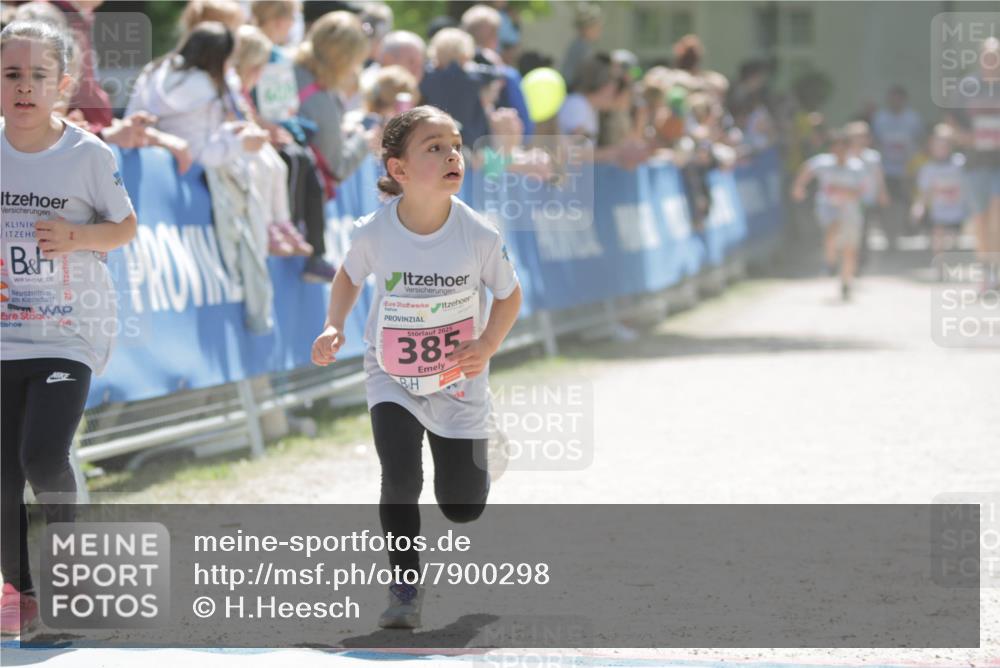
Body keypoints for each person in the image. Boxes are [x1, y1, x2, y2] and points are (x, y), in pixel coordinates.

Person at [310, 106, 522, 629]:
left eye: (455, 144)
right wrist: (335, 325)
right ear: (398, 169)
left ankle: (483, 443)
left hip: (458, 378)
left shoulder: (478, 233)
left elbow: (509, 295)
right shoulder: (375, 231)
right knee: (401, 479)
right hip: (392, 373)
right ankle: (404, 588)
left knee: (461, 506)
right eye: (434, 147)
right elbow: (347, 277)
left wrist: (488, 343)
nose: (453, 154)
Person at [0, 19, 137, 636]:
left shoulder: (87, 154)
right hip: (3, 336)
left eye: (37, 76)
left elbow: (125, 227)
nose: (24, 88)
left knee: (43, 455)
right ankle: (23, 595)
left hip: (69, 331)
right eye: (11, 75)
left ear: (62, 84)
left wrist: (77, 236)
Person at [792, 128, 867, 300]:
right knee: (832, 228)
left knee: (850, 250)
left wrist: (841, 191)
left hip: (850, 211)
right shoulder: (822, 163)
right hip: (828, 208)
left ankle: (846, 282)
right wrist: (798, 187)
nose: (839, 152)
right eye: (836, 147)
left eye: (843, 148)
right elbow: (806, 170)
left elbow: (860, 192)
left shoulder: (856, 167)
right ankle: (830, 262)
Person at [871, 86, 924, 250]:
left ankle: (907, 230)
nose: (895, 102)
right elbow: (874, 141)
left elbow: (921, 140)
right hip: (886, 169)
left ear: (904, 99)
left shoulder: (913, 118)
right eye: (892, 98)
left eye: (898, 98)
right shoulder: (879, 118)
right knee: (886, 204)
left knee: (908, 202)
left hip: (908, 170)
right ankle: (890, 237)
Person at [912, 124, 967, 256]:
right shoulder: (927, 169)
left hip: (958, 211)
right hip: (939, 211)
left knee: (952, 241)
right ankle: (939, 263)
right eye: (937, 145)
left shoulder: (960, 163)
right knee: (938, 236)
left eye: (945, 145)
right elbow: (924, 192)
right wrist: (919, 207)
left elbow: (969, 186)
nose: (941, 149)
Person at [845, 121, 889, 271]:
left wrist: (882, 192)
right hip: (849, 201)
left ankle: (860, 260)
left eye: (863, 136)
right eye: (856, 136)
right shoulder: (845, 156)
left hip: (867, 199)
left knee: (864, 230)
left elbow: (878, 176)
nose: (860, 139)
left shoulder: (872, 157)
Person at [560, 2, 601, 88]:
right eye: (596, 26)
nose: (599, 30)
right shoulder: (581, 46)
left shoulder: (582, 45)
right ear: (586, 28)